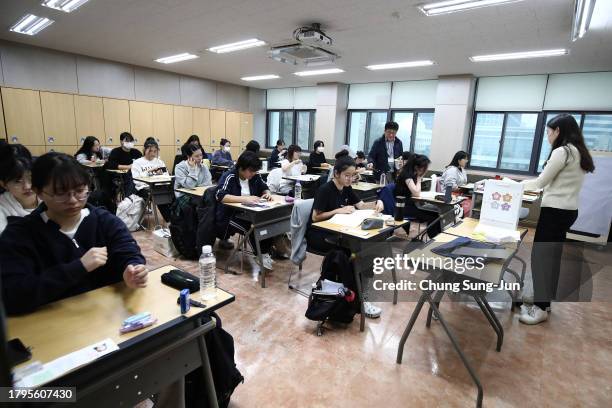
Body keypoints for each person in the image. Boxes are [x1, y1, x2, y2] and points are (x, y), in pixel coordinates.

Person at [0, 153, 147, 315]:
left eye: (79, 190)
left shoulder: (104, 221)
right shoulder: (19, 234)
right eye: (60, 193)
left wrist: (132, 269)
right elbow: (14, 295)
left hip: (107, 317)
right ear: (39, 192)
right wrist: (79, 267)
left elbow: (127, 250)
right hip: (53, 323)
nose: (72, 200)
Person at [518, 114, 594, 325]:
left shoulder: (563, 151)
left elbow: (541, 182)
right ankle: (544, 300)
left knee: (541, 258)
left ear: (558, 131)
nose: (548, 137)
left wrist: (513, 185)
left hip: (555, 211)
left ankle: (540, 308)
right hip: (568, 211)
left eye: (549, 132)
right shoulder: (578, 151)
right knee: (551, 257)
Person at [306, 153, 384, 318]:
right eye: (347, 175)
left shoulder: (347, 188)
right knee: (353, 254)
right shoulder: (325, 189)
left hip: (339, 233)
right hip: (319, 234)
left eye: (353, 175)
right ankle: (356, 298)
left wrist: (377, 203)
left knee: (365, 251)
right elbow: (315, 217)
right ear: (336, 174)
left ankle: (360, 297)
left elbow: (361, 205)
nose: (350, 179)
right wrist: (338, 210)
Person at [215, 151, 275, 271]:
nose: (253, 174)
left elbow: (264, 187)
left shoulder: (254, 177)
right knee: (253, 226)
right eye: (251, 171)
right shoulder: (230, 176)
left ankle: (265, 252)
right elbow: (220, 196)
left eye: (255, 171)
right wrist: (245, 199)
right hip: (230, 215)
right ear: (242, 168)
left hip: (250, 213)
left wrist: (267, 194)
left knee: (269, 222)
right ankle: (260, 254)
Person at [395, 154, 441, 239]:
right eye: (425, 167)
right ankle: (433, 238)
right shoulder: (406, 175)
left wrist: (418, 177)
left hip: (410, 204)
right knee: (433, 217)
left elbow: (415, 193)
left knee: (437, 214)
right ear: (417, 167)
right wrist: (419, 178)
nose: (426, 170)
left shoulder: (411, 174)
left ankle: (437, 237)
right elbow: (416, 193)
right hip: (404, 207)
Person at [0, 145, 39, 234]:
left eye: (31, 178)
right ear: (4, 184)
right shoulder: (2, 207)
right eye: (18, 181)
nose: (27, 186)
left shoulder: (48, 196)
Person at [131, 138, 171, 221]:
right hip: (144, 188)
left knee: (171, 194)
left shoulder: (159, 162)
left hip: (159, 186)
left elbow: (166, 175)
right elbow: (136, 180)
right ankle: (169, 220)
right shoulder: (137, 162)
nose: (152, 153)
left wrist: (161, 175)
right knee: (158, 196)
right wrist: (149, 172)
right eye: (150, 151)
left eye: (155, 151)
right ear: (144, 150)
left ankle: (173, 220)